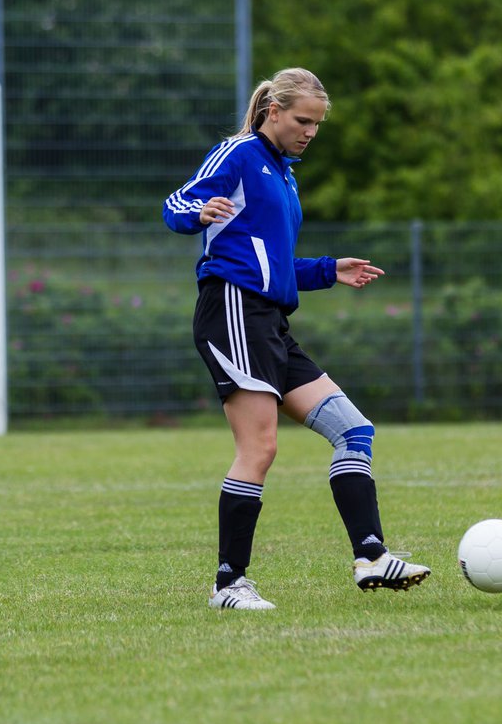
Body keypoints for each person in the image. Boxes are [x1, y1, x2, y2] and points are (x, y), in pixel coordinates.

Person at [162, 67, 430, 610]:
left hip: (270, 322)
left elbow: (275, 264)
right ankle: (228, 585)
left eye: (317, 125)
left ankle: (372, 556)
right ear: (273, 111)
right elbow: (177, 204)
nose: (310, 131)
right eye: (302, 121)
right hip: (233, 309)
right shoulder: (237, 153)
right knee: (258, 449)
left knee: (354, 431)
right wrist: (197, 212)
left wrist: (329, 270)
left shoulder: (284, 175)